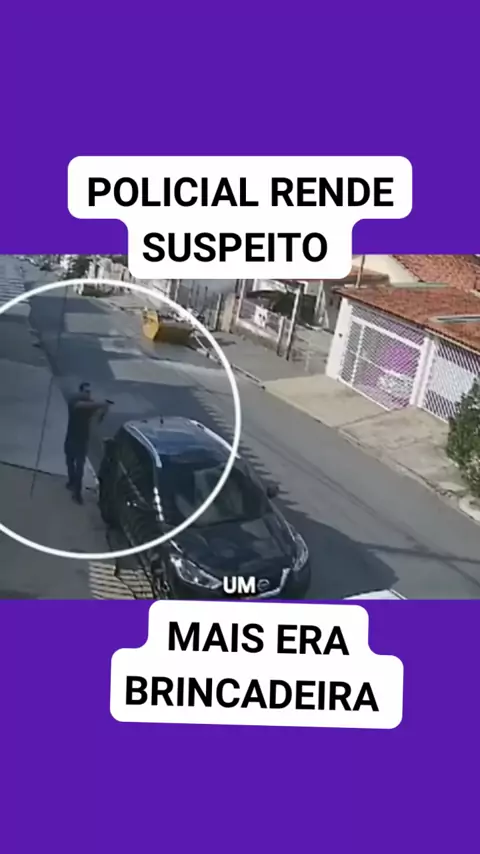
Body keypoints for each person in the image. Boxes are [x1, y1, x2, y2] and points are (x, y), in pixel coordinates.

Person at [64, 382, 110, 504]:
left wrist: (104, 410)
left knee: (79, 466)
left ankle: (77, 493)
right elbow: (82, 405)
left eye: (89, 392)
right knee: (70, 462)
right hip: (72, 437)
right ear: (80, 392)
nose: (88, 394)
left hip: (82, 439)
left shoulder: (90, 406)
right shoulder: (75, 402)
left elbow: (97, 419)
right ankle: (72, 481)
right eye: (86, 391)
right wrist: (102, 404)